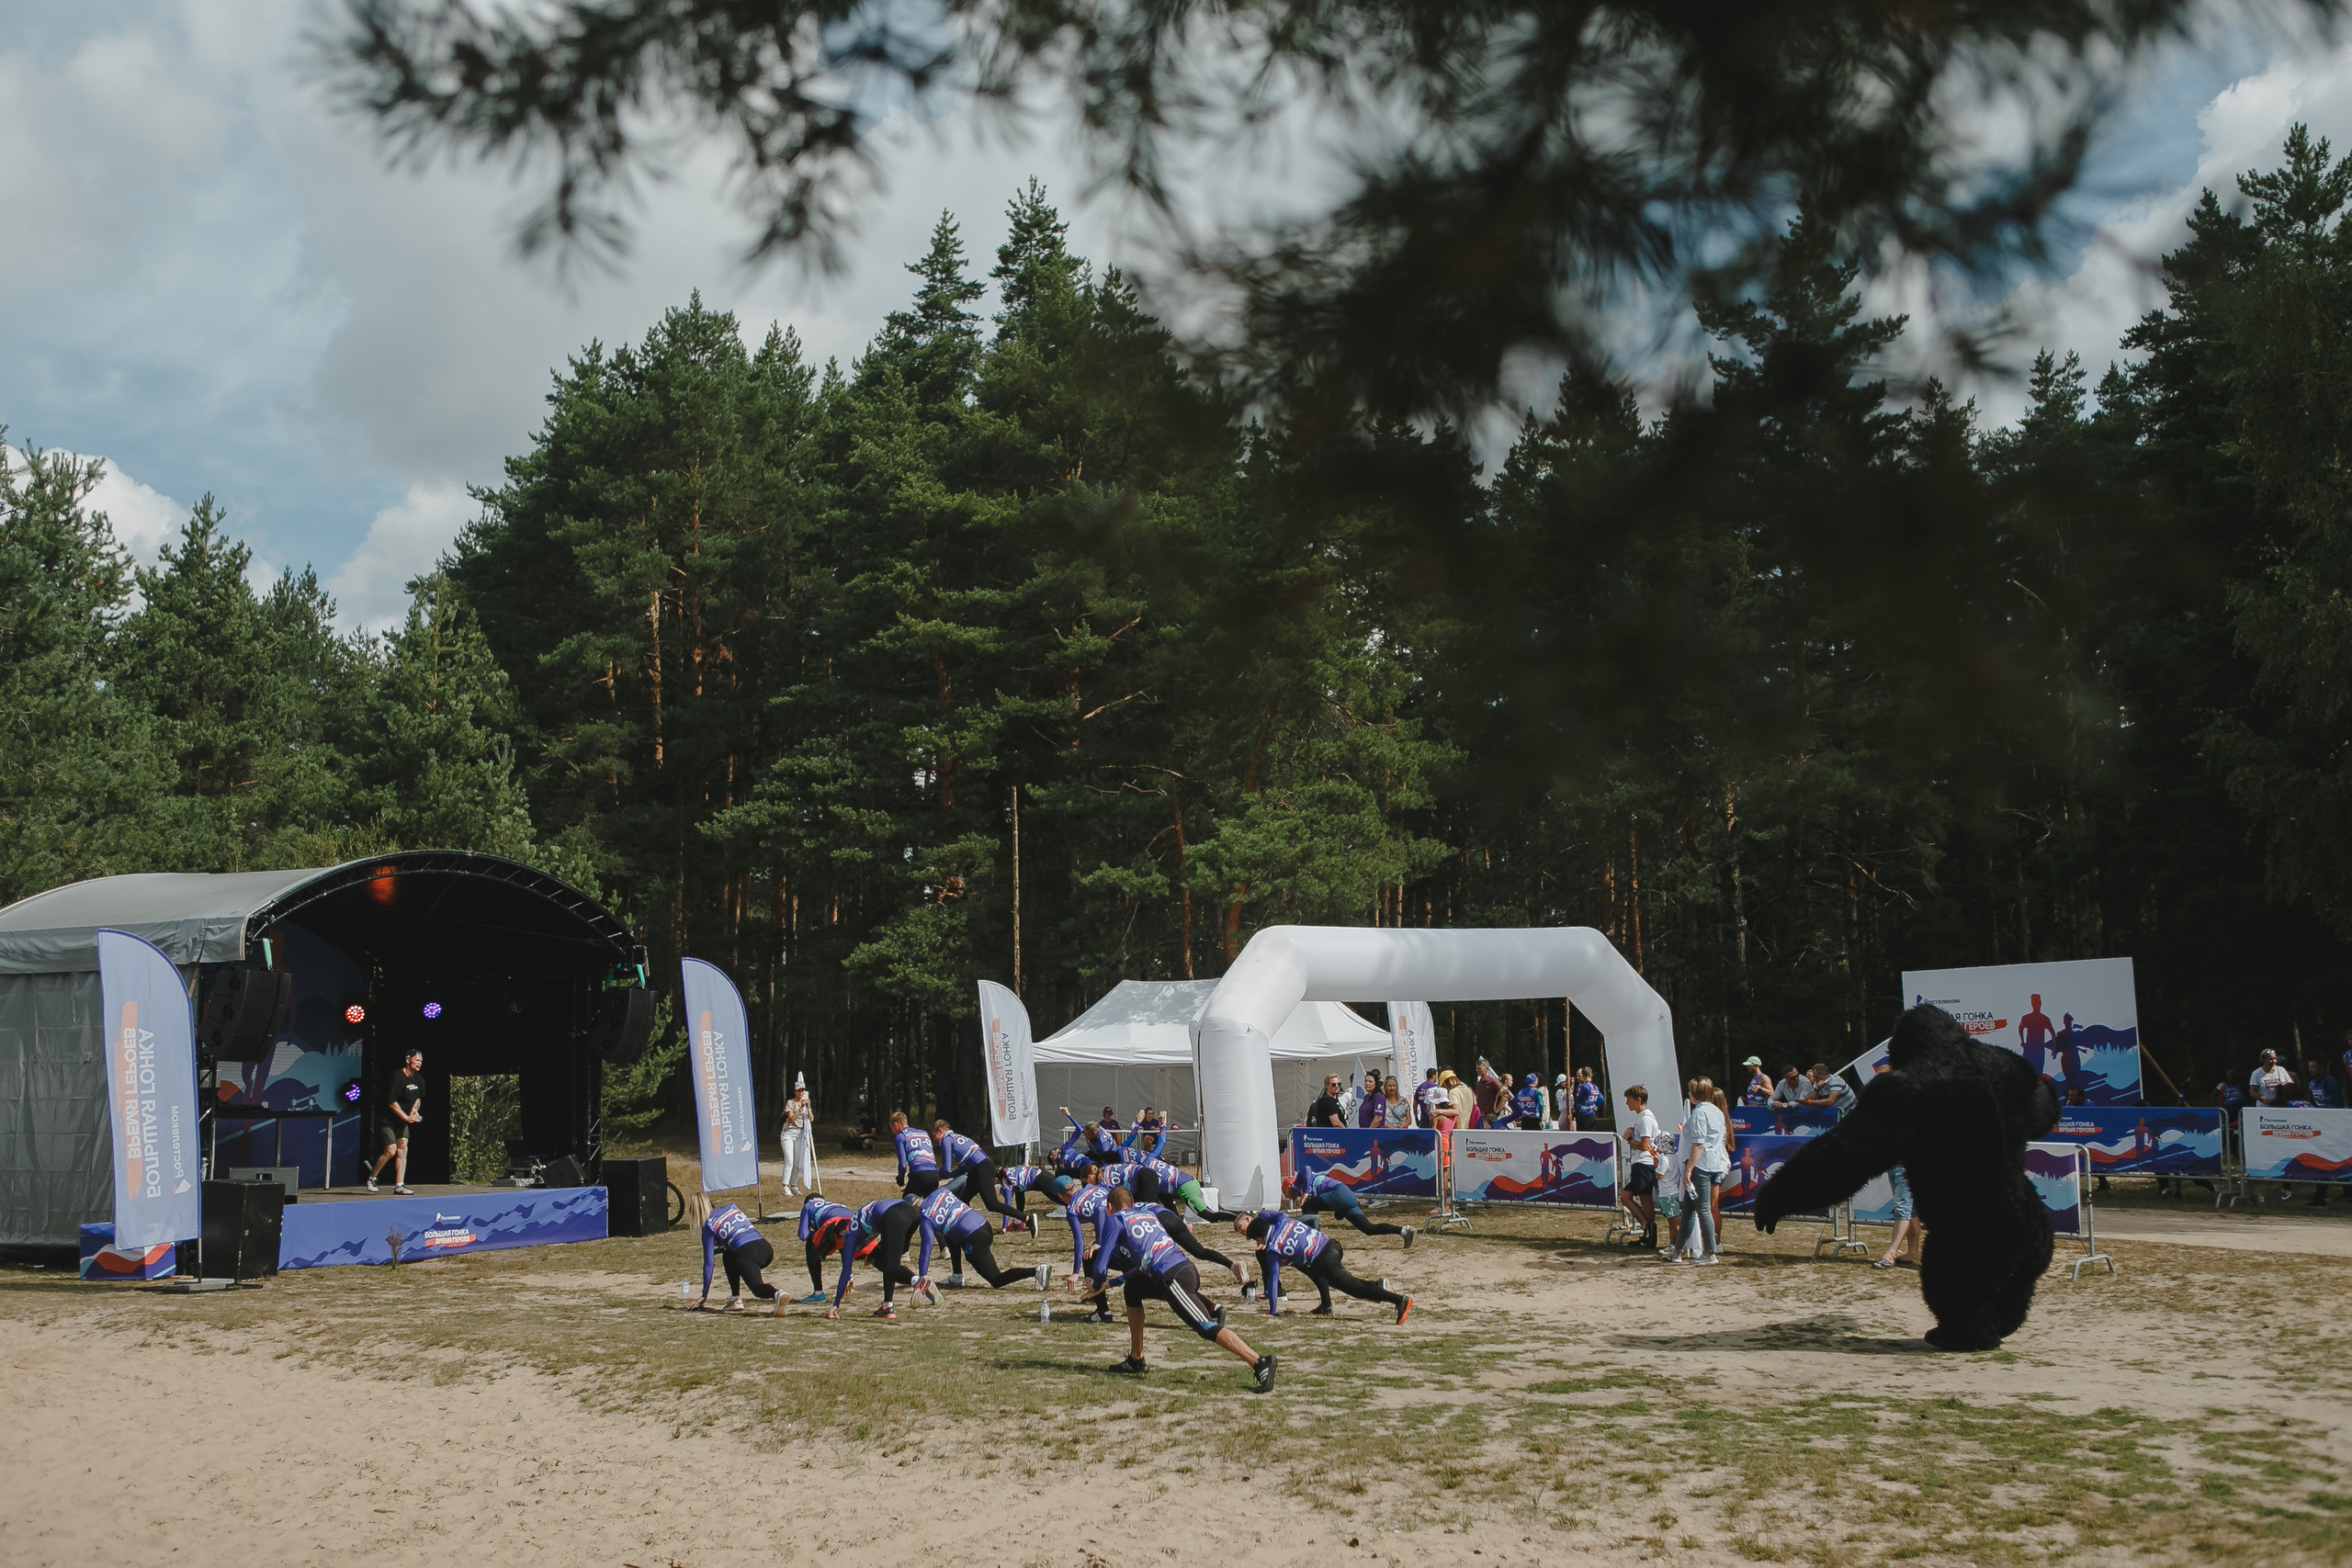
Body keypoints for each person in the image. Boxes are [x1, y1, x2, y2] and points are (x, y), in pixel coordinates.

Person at [1076, 1187, 1275, 1391]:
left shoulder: (1115, 1220)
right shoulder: (1147, 1215)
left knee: (1205, 1327)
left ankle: (1259, 1361)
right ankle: (1136, 1359)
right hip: (1181, 1268)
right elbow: (1144, 1265)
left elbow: (1100, 1266)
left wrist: (1097, 1285)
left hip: (1172, 1277)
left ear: (1110, 1207)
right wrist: (1110, 1284)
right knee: (1133, 1290)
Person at [1239, 1206, 1412, 1321]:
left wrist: (1272, 1311)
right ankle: (1328, 1304)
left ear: (1259, 1238)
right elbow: (1279, 1215)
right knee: (1327, 1276)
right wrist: (1263, 1215)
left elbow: (1273, 1278)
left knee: (1355, 1289)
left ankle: (1399, 1300)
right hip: (1332, 1245)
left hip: (1323, 1259)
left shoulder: (1272, 1250)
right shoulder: (1284, 1221)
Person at [819, 1195, 936, 1320]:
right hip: (911, 1213)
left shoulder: (850, 1234)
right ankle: (887, 1306)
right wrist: (874, 1254)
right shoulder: (859, 1221)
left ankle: (918, 1281)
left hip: (893, 1215)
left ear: (842, 1234)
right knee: (887, 1260)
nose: (845, 1246)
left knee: (891, 1268)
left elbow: (845, 1272)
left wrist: (836, 1304)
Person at [918, 1183, 1050, 1291]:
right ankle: (957, 1276)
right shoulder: (940, 1192)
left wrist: (921, 1280)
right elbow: (962, 1180)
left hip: (974, 1239)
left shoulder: (926, 1218)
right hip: (984, 1225)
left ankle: (1036, 1271)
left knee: (996, 1279)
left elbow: (925, 1250)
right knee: (948, 1232)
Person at [1666, 1077, 1727, 1265]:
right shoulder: (1717, 1112)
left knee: (1702, 1209)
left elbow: (1698, 1144)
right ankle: (1677, 1251)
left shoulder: (1700, 1113)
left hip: (1701, 1165)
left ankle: (1709, 1252)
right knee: (1689, 1209)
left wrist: (1689, 1169)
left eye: (1690, 1091)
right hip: (1713, 1163)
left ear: (1695, 1094)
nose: (1688, 1094)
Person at [1288, 1167, 1418, 1245]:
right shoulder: (1303, 1190)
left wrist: (1305, 1193)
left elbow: (1306, 1169)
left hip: (1340, 1193)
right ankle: (1404, 1231)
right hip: (1346, 1196)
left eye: (1285, 1192)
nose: (1287, 1197)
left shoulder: (1299, 1182)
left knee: (1308, 1205)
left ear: (1288, 1186)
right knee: (1368, 1229)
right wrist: (1337, 1209)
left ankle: (1314, 1243)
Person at [695, 1199, 781, 1312]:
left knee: (757, 1288)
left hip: (747, 1253)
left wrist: (704, 1295)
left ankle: (777, 1294)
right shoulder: (731, 1208)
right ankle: (735, 1299)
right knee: (728, 1255)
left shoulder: (708, 1225)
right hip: (765, 1247)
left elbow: (708, 1264)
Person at [368, 1049, 424, 1193]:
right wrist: (406, 1117)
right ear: (408, 1060)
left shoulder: (419, 1080)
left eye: (421, 1061)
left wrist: (413, 1112)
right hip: (388, 1118)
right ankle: (372, 1178)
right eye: (417, 1060)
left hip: (402, 1119)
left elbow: (418, 1099)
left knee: (403, 1147)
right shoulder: (397, 1076)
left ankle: (399, 1185)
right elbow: (392, 1102)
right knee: (391, 1150)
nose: (419, 1063)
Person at [932, 1119, 1014, 1221]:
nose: (934, 1139)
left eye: (934, 1135)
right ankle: (971, 1224)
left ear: (940, 1131)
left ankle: (1026, 1218)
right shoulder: (956, 1137)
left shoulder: (946, 1140)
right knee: (963, 1201)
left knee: (992, 1204)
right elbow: (961, 1170)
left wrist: (935, 1176)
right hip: (980, 1167)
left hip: (981, 1168)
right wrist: (949, 1175)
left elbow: (946, 1167)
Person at [1619, 1085, 1659, 1248]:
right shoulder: (1641, 1118)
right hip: (1640, 1163)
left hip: (1644, 1162)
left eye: (1629, 1099)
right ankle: (1645, 1227)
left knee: (1645, 1198)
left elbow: (1644, 1145)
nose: (1627, 1103)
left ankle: (1649, 1232)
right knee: (1626, 1196)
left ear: (1638, 1100)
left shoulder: (1645, 1118)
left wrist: (1629, 1139)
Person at [779, 1077, 817, 1197]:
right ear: (795, 1092)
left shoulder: (805, 1103)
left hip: (800, 1134)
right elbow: (791, 1118)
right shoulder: (791, 1103)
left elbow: (811, 1119)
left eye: (802, 1091)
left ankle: (793, 1185)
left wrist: (808, 1107)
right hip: (789, 1133)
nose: (800, 1093)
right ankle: (785, 1186)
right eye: (798, 1091)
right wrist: (800, 1109)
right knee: (789, 1160)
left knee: (796, 1161)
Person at [890, 1111, 942, 1197]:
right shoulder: (924, 1133)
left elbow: (903, 1165)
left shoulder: (901, 1136)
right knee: (929, 1204)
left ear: (895, 1125)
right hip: (934, 1174)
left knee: (907, 1201)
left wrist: (900, 1178)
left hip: (918, 1174)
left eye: (891, 1128)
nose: (892, 1131)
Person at [2017, 993, 2057, 1078]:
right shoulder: (2027, 1018)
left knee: (2037, 1074)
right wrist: (2022, 1041)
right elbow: (2020, 1028)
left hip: (2038, 1050)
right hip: (2030, 1049)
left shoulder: (2044, 1019)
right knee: (2027, 1073)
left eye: (2037, 1002)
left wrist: (2054, 1048)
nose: (2037, 1004)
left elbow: (2053, 1033)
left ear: (2040, 1003)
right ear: (2032, 1004)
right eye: (2035, 1002)